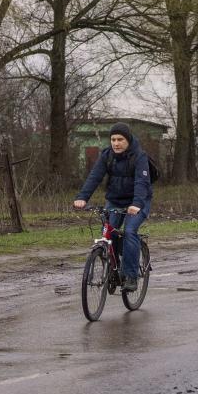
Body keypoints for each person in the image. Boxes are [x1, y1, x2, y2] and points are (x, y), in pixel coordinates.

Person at [74, 123, 154, 291]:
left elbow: (142, 182)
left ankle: (131, 276)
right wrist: (82, 197)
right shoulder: (107, 155)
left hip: (138, 202)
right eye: (113, 140)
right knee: (109, 233)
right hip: (115, 201)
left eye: (120, 140)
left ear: (128, 140)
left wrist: (137, 204)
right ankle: (114, 267)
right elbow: (94, 177)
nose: (116, 143)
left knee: (130, 231)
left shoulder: (139, 156)